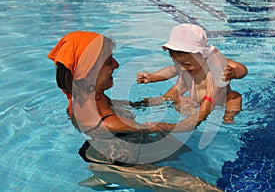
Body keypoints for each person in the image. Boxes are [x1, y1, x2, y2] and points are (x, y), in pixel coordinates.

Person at [48, 31, 222, 191]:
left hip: (113, 151)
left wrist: (141, 103)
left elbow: (117, 108)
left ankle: (102, 176)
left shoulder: (87, 97)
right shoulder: (108, 122)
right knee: (197, 187)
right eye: (109, 62)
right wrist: (208, 101)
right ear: (87, 74)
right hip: (117, 165)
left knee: (182, 151)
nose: (116, 64)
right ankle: (105, 176)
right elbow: (183, 126)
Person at [137, 24, 248, 124]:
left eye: (187, 64)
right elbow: (170, 71)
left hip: (221, 101)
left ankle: (229, 116)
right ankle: (157, 102)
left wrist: (233, 73)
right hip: (197, 101)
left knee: (234, 97)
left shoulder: (214, 62)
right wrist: (151, 77)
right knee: (178, 98)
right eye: (178, 63)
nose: (183, 68)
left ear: (201, 54)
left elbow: (242, 69)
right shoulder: (183, 66)